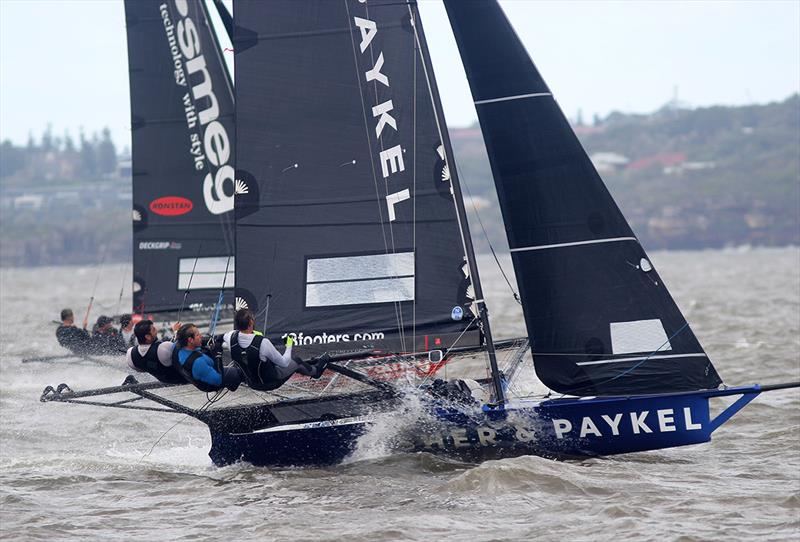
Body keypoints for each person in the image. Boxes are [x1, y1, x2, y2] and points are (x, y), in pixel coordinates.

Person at [221, 309, 328, 391]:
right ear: (251, 323)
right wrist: (289, 345)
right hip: (270, 384)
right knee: (296, 361)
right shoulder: (263, 342)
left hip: (251, 383)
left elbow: (218, 339)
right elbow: (284, 363)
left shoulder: (230, 336)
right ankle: (316, 371)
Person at [172, 323, 242, 392]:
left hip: (201, 372)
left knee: (211, 343)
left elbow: (179, 337)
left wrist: (177, 331)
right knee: (239, 372)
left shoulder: (177, 346)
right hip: (211, 384)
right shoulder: (198, 363)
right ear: (190, 340)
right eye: (198, 335)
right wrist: (217, 355)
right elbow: (218, 381)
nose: (201, 336)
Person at [126, 319, 185, 384]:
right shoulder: (163, 348)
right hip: (181, 380)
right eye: (154, 329)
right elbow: (181, 348)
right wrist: (177, 332)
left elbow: (141, 370)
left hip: (164, 381)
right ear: (147, 337)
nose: (156, 331)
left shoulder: (130, 354)